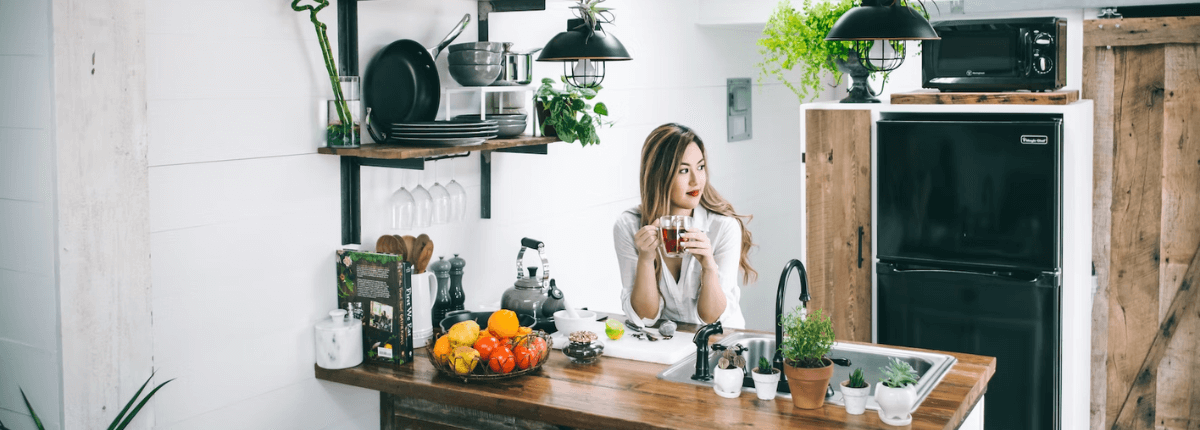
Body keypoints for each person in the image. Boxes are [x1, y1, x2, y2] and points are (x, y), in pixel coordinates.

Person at [613, 123, 756, 328]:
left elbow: (711, 318)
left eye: (700, 167)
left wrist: (708, 266)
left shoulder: (723, 227)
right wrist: (646, 258)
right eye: (683, 170)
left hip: (723, 346)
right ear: (659, 175)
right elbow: (645, 317)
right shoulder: (629, 226)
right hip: (671, 346)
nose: (696, 180)